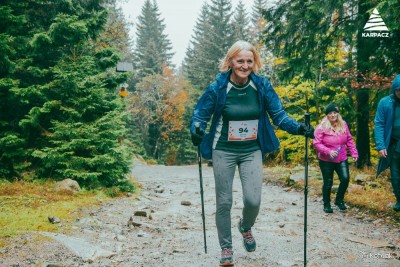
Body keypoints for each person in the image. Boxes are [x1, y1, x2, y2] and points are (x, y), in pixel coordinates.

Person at [189, 40, 314, 266]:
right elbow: (200, 116)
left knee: (253, 200)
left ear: (254, 63)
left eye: (249, 61)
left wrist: (298, 128)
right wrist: (196, 130)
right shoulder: (218, 87)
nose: (245, 66)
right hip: (223, 150)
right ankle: (226, 248)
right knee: (224, 202)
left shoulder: (262, 86)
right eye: (240, 61)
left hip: (251, 150)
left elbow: (279, 116)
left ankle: (245, 227)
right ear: (230, 62)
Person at [313, 103, 358, 213]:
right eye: (330, 113)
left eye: (335, 113)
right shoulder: (321, 127)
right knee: (328, 182)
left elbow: (349, 139)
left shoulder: (343, 124)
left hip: (341, 157)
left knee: (345, 178)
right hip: (326, 160)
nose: (333, 115)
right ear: (327, 115)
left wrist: (354, 153)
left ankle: (339, 200)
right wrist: (328, 151)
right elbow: (316, 143)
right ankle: (327, 204)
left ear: (338, 114)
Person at [374, 74, 400, 211]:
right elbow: (379, 124)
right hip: (393, 145)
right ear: (394, 90)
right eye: (399, 90)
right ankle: (399, 200)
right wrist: (381, 145)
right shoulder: (385, 102)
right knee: (395, 174)